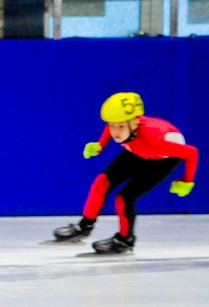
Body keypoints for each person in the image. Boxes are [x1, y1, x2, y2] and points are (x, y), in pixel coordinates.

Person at [52, 92, 198, 254]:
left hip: (162, 159)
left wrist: (187, 181)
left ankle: (125, 240)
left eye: (120, 127)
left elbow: (191, 153)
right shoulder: (125, 128)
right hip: (136, 149)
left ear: (136, 123)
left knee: (124, 198)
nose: (115, 132)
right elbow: (110, 127)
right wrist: (100, 145)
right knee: (102, 182)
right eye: (113, 126)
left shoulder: (154, 141)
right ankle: (84, 226)